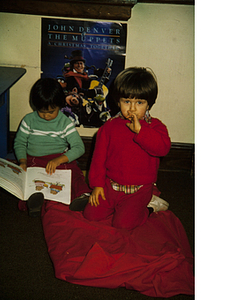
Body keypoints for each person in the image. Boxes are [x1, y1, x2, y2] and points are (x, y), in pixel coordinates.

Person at [70, 67, 171, 230]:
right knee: (91, 215)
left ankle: (149, 207)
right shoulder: (109, 127)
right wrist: (97, 185)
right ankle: (116, 206)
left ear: (149, 104)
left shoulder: (155, 127)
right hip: (112, 185)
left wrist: (141, 132)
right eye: (127, 101)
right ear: (118, 101)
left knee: (122, 224)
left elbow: (162, 148)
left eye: (139, 102)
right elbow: (99, 158)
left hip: (139, 189)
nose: (132, 108)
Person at [14, 78, 91, 217]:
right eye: (42, 112)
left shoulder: (65, 122)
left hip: (58, 160)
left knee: (75, 173)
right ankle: (33, 203)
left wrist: (59, 160)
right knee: (26, 179)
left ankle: (82, 197)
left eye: (51, 111)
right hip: (34, 161)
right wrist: (23, 161)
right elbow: (19, 143)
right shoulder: (28, 120)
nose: (46, 116)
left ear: (60, 105)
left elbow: (79, 147)